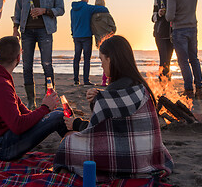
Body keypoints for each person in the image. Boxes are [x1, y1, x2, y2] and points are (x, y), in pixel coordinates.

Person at [54, 35, 174, 182]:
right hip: (150, 156)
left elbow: (96, 131)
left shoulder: (111, 94)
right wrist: (99, 98)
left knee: (67, 142)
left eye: (102, 60)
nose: (102, 66)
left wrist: (76, 124)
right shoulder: (141, 86)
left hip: (129, 161)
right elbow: (116, 125)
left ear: (110, 59)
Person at [0, 36, 68, 161]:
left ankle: (76, 147)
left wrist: (47, 109)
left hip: (0, 141)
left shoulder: (0, 79)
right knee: (58, 116)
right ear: (18, 58)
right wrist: (44, 108)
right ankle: (79, 149)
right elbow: (18, 125)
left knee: (59, 112)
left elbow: (26, 114)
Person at [13, 0, 65, 110]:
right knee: (27, 66)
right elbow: (18, 9)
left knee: (47, 65)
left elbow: (61, 9)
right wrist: (15, 29)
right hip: (26, 31)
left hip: (45, 30)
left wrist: (44, 10)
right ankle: (31, 101)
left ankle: (50, 98)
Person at [165, 0, 202, 99]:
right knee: (194, 58)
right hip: (193, 27)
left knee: (183, 61)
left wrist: (165, 14)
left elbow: (170, 16)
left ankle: (188, 90)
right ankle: (199, 88)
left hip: (179, 29)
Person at [71, 0, 109, 86]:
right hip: (86, 36)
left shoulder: (72, 10)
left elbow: (72, 23)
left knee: (77, 58)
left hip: (76, 35)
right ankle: (86, 81)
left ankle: (76, 80)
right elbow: (104, 9)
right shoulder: (88, 8)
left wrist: (73, 33)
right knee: (86, 59)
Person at [91, 0, 117, 86]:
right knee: (110, 60)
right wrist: (110, 34)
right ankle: (109, 80)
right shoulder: (107, 14)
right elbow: (114, 27)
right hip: (108, 40)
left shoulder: (92, 16)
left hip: (99, 41)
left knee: (103, 61)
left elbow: (92, 29)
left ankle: (103, 81)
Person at [152, 0, 174, 81]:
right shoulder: (158, 0)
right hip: (160, 34)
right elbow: (153, 18)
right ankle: (162, 84)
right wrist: (159, 14)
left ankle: (168, 84)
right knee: (163, 60)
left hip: (172, 34)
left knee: (168, 61)